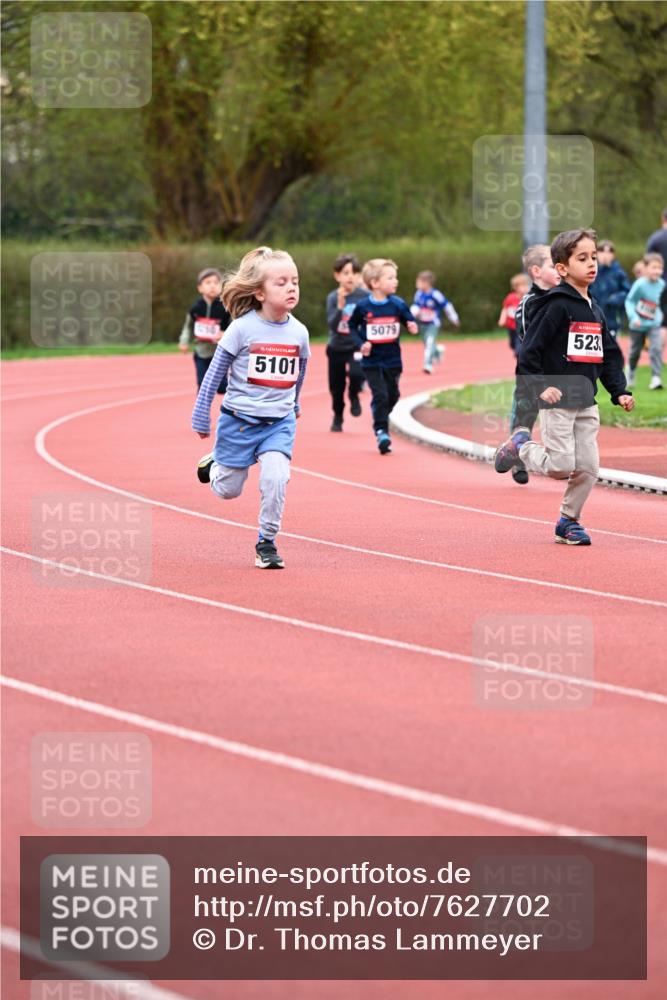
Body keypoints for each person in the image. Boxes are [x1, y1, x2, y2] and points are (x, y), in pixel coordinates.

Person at [494, 228, 634, 546]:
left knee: (588, 467)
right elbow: (530, 351)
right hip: (558, 399)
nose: (592, 263)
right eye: (582, 258)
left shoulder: (594, 309)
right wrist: (541, 386)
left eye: (594, 257)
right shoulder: (556, 306)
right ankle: (520, 448)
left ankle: (568, 522)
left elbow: (609, 354)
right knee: (560, 465)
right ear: (562, 268)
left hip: (587, 401)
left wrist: (620, 390)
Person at [192, 247, 310, 569]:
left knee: (276, 477)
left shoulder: (299, 332)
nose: (291, 288)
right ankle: (215, 463)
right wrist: (201, 414)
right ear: (259, 293)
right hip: (238, 422)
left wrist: (295, 402)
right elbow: (215, 372)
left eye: (295, 282)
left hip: (278, 423)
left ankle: (266, 543)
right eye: (281, 282)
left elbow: (299, 372)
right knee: (228, 490)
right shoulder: (241, 329)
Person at [348, 258, 419, 454]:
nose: (396, 281)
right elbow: (352, 326)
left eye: (395, 277)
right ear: (375, 283)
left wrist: (411, 325)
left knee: (393, 395)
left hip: (393, 359)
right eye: (390, 278)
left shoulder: (398, 304)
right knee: (380, 394)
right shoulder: (363, 307)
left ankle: (380, 415)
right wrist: (361, 343)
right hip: (372, 361)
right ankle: (381, 431)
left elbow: (408, 319)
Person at [507, 245, 560, 485]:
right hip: (532, 374)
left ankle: (564, 460)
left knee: (561, 419)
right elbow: (527, 343)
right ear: (536, 271)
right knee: (524, 417)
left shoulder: (565, 297)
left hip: (560, 374)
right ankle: (517, 454)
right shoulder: (528, 303)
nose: (560, 268)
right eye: (553, 265)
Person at [325, 253, 367, 432]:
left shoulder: (364, 296)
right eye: (346, 273)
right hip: (336, 347)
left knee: (358, 374)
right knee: (336, 387)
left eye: (354, 273)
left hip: (355, 346)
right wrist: (341, 308)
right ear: (337, 276)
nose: (350, 277)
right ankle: (338, 416)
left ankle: (354, 394)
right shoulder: (333, 298)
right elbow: (333, 325)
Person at [179, 268, 232, 394]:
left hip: (219, 353)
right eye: (208, 282)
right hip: (201, 352)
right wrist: (184, 341)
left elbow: (235, 326)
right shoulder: (196, 308)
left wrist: (225, 334)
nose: (212, 286)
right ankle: (202, 414)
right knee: (202, 385)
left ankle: (234, 407)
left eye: (216, 282)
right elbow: (187, 326)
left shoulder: (225, 308)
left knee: (221, 387)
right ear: (200, 288)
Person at [624, 252, 665, 390]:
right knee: (635, 352)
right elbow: (630, 301)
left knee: (656, 348)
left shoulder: (662, 284)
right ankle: (631, 372)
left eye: (660, 268)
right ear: (646, 268)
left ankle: (656, 377)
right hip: (638, 324)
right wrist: (634, 318)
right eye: (654, 267)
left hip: (654, 323)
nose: (657, 271)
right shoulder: (640, 285)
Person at [410, 270, 460, 374]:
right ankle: (438, 351)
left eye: (419, 281)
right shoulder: (418, 294)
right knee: (427, 343)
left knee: (429, 343)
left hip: (433, 323)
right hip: (422, 323)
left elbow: (447, 306)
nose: (417, 284)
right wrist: (412, 314)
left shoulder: (436, 295)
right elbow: (416, 306)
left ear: (427, 283)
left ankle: (428, 365)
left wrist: (454, 318)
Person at [588, 240, 630, 339]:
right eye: (602, 251)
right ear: (597, 254)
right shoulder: (591, 271)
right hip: (592, 316)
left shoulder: (619, 273)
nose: (605, 255)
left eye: (609, 251)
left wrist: (615, 298)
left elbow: (627, 291)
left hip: (612, 317)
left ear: (613, 255)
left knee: (610, 349)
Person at [498, 274, 530, 357]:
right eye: (522, 285)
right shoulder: (510, 298)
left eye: (526, 285)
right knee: (512, 343)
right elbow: (505, 309)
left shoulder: (529, 298)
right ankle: (516, 349)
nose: (525, 287)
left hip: (521, 327)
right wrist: (502, 319)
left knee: (519, 345)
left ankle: (519, 353)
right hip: (511, 327)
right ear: (516, 287)